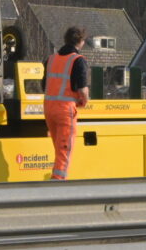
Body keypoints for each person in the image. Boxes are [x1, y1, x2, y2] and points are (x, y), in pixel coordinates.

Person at [44, 26, 90, 179]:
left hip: (49, 108)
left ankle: (57, 179)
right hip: (65, 110)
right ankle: (57, 184)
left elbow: (44, 85)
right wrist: (84, 101)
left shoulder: (51, 59)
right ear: (81, 41)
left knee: (59, 148)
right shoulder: (78, 60)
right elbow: (82, 90)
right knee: (65, 149)